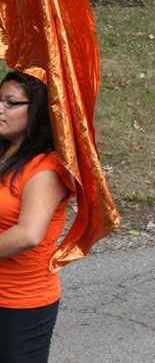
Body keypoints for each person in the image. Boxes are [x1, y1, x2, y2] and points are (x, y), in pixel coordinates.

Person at [0, 71, 74, 362]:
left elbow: (28, 234)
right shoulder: (4, 153)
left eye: (11, 102)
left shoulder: (46, 168)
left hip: (21, 303)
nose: (0, 109)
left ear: (38, 110)